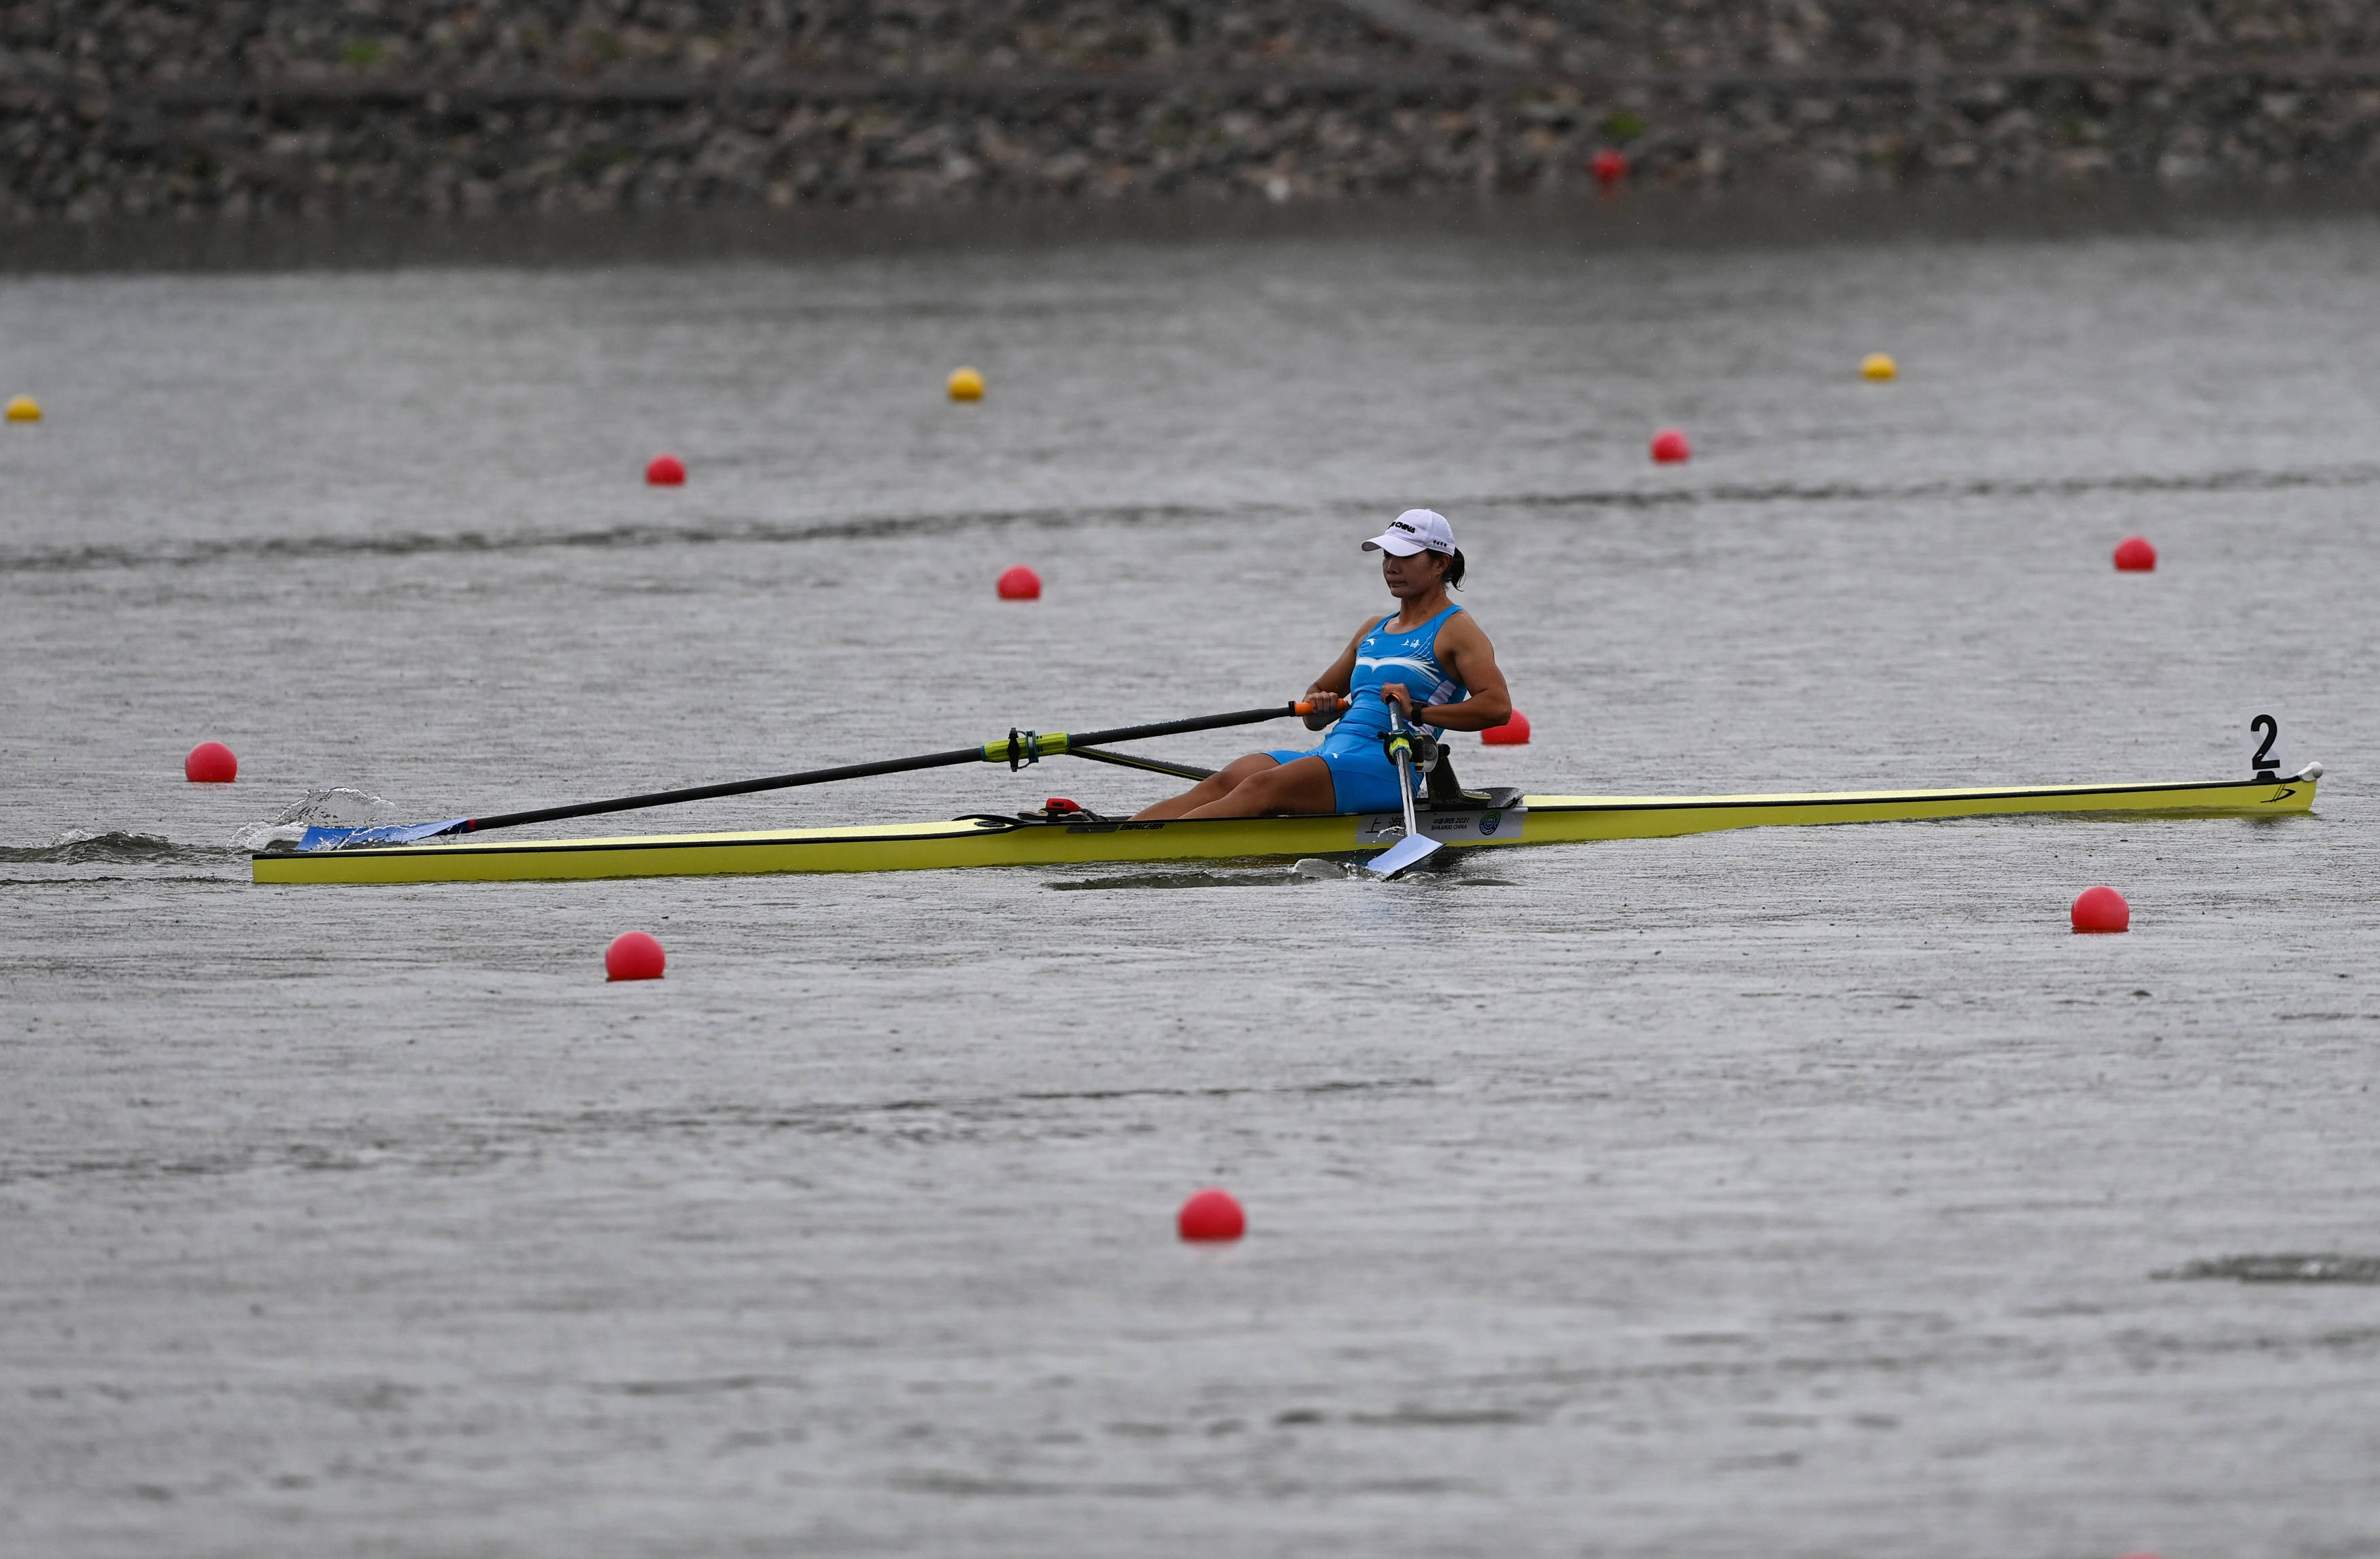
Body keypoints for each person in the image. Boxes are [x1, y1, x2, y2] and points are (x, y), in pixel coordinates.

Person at [1134, 509, 1512, 820]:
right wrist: (1320, 708)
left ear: (1439, 563)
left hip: (1388, 770)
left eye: (1405, 556)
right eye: (1386, 556)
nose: (1391, 566)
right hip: (1333, 753)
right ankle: (1123, 833)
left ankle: (1150, 847)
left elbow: (1496, 708)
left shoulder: (1457, 630)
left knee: (1259, 786)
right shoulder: (1373, 629)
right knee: (1234, 775)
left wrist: (1418, 711)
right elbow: (1315, 703)